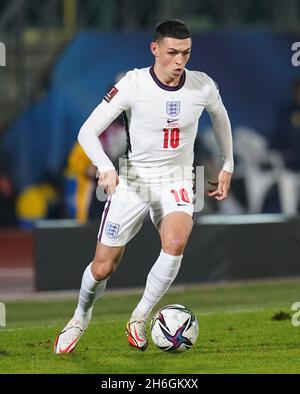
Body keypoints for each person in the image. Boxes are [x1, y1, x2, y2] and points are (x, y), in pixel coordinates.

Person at [54, 19, 234, 354]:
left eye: (186, 53)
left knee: (176, 241)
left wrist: (227, 164)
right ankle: (80, 317)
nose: (180, 61)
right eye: (172, 53)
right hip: (135, 179)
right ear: (155, 49)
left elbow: (221, 117)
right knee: (103, 266)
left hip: (178, 178)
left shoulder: (202, 85)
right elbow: (87, 131)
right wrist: (106, 169)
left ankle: (139, 317)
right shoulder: (133, 85)